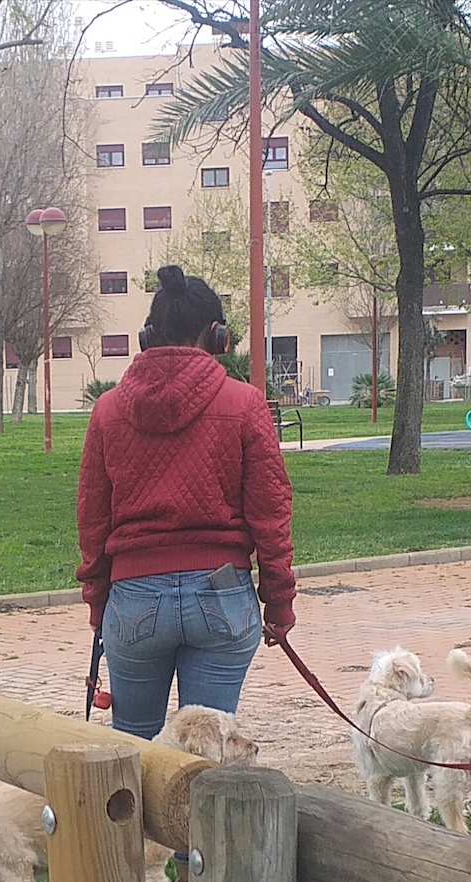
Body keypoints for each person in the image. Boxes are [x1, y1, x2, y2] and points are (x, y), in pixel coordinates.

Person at [76, 264, 297, 740]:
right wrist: (278, 603)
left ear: (147, 335)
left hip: (133, 599)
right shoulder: (245, 404)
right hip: (221, 594)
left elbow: (92, 518)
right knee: (208, 750)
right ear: (218, 336)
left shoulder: (107, 410)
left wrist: (98, 603)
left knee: (133, 745)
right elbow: (271, 512)